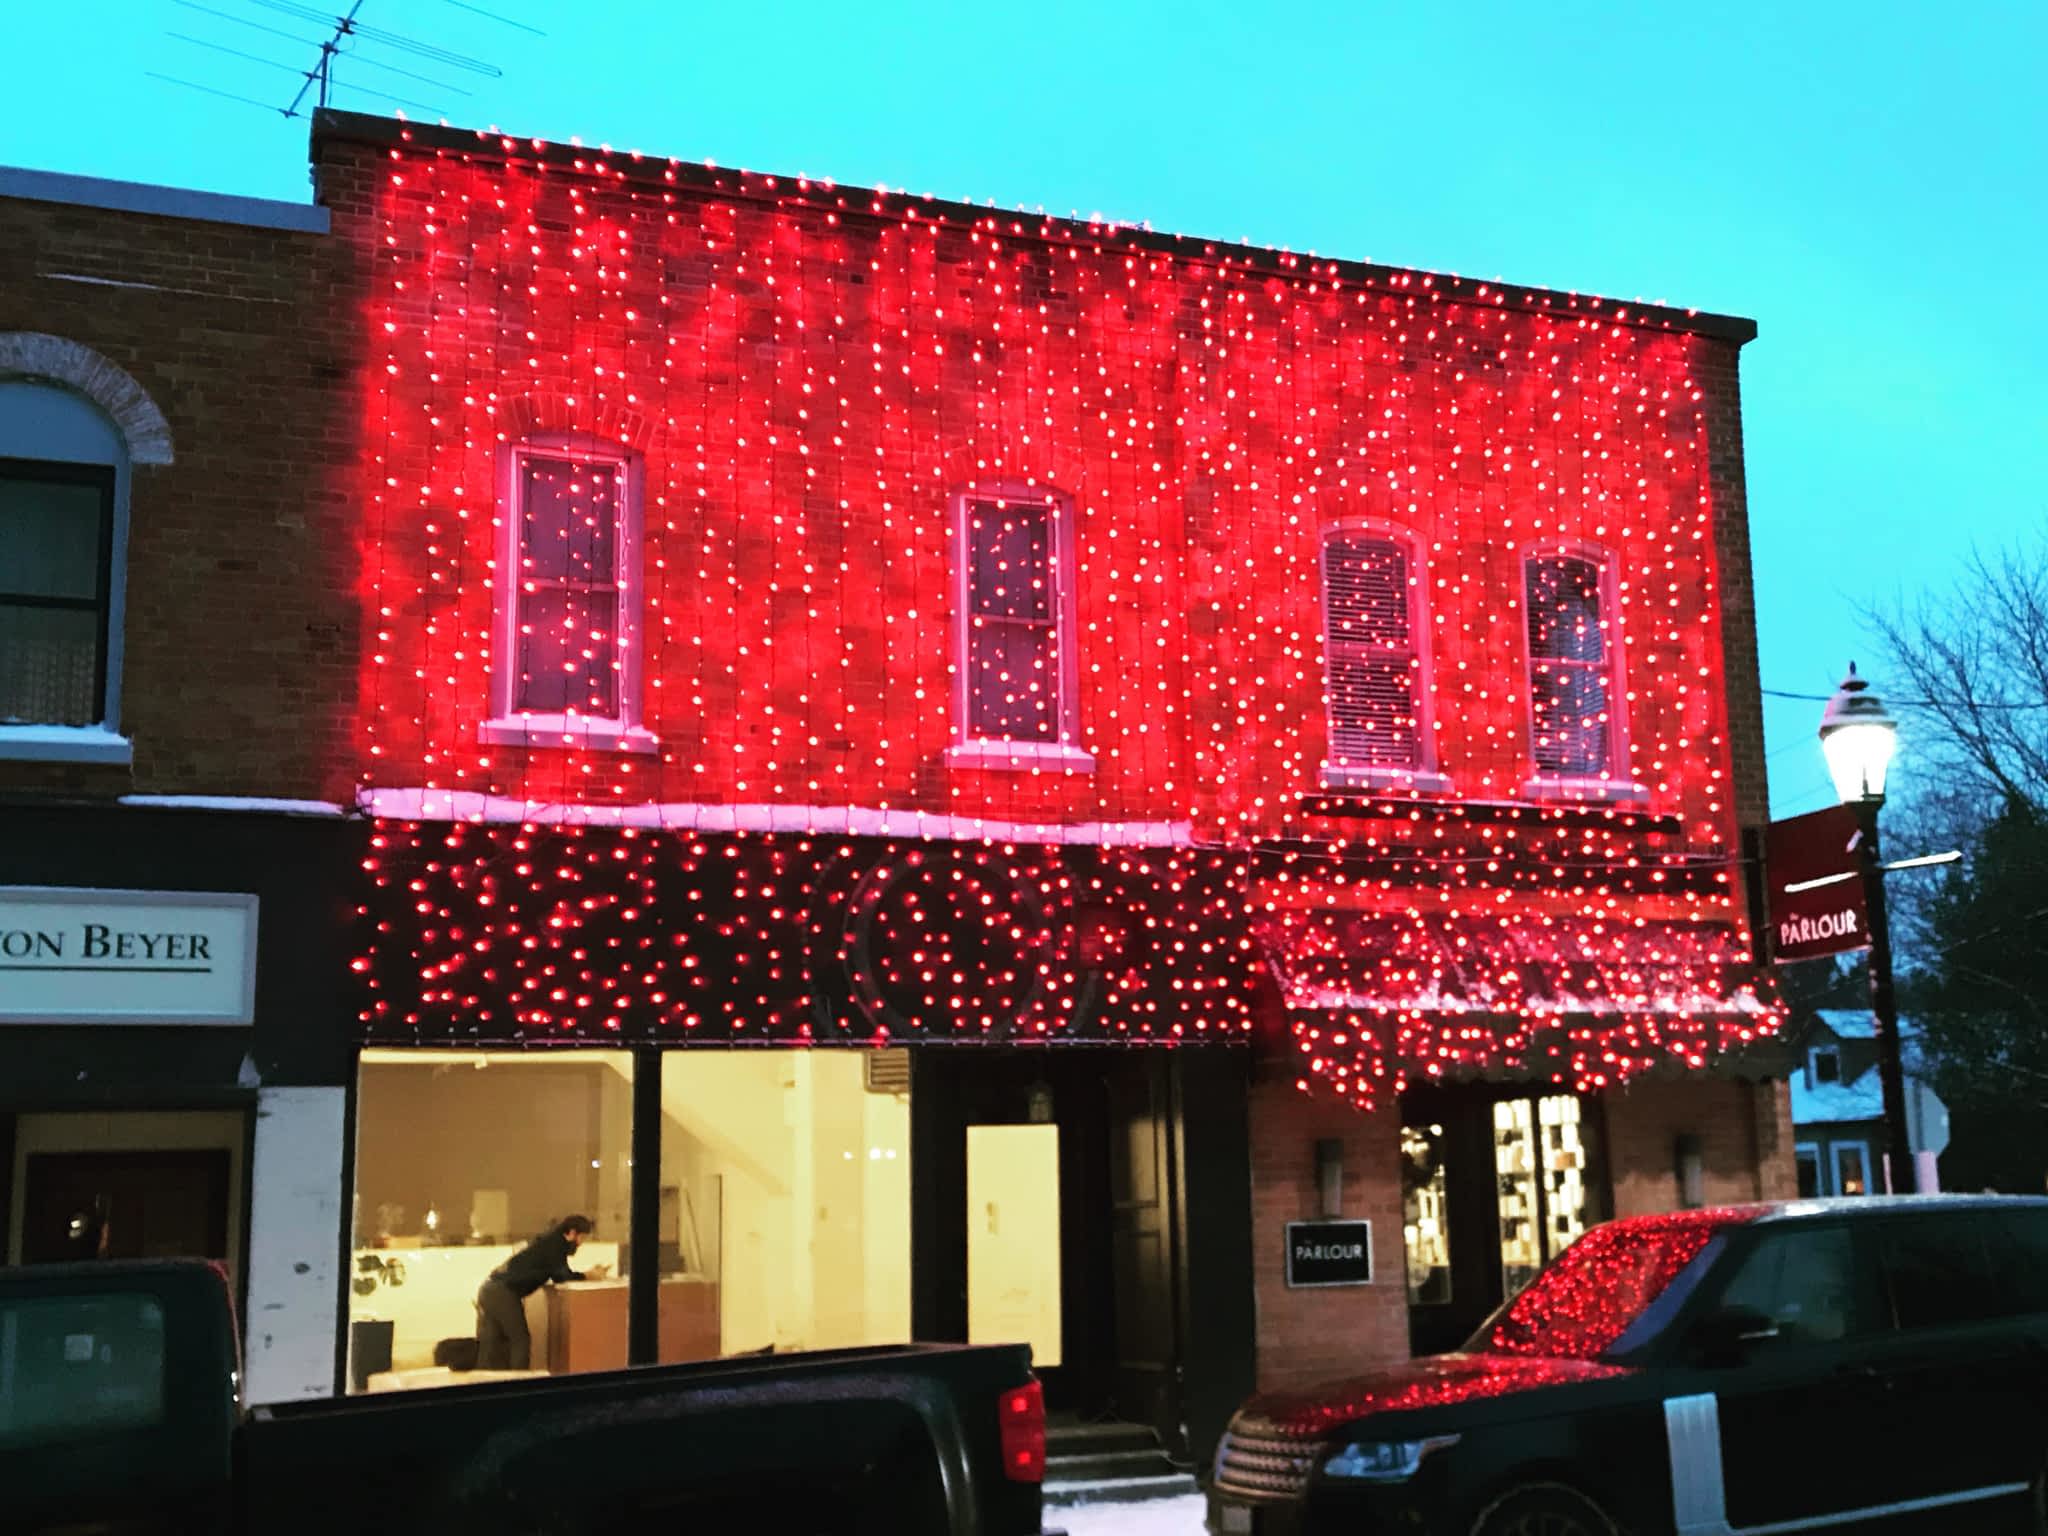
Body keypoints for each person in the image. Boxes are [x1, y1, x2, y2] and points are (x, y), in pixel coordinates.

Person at [474, 1214, 607, 1369]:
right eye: (582, 1238)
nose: (581, 1244)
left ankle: (485, 1383)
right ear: (572, 1233)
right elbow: (561, 1276)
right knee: (520, 1340)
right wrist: (589, 1275)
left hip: (489, 1288)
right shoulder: (556, 1244)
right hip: (503, 1292)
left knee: (491, 1343)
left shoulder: (548, 1241)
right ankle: (519, 1383)